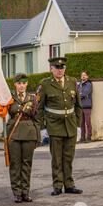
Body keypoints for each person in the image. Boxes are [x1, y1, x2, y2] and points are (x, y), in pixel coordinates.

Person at [37, 57, 83, 196]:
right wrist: (43, 128)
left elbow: (78, 106)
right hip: (54, 126)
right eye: (57, 68)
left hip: (70, 125)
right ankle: (57, 185)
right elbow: (39, 108)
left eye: (62, 68)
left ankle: (69, 184)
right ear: (51, 69)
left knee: (68, 157)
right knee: (57, 158)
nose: (59, 70)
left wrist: (78, 126)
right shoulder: (45, 84)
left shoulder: (72, 82)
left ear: (65, 69)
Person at [6, 74, 40, 203]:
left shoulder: (32, 98)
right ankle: (17, 193)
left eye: (23, 83)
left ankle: (25, 192)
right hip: (13, 133)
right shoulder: (9, 98)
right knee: (15, 164)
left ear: (26, 84)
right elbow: (1, 110)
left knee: (27, 163)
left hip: (29, 132)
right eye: (19, 83)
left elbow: (36, 117)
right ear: (15, 84)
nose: (21, 86)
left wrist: (38, 136)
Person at [78, 71, 93, 143]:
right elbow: (76, 93)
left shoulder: (89, 84)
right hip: (80, 106)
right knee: (81, 123)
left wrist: (79, 95)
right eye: (82, 75)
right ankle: (82, 137)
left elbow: (85, 93)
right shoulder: (79, 84)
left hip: (87, 106)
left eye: (84, 75)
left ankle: (89, 137)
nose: (83, 76)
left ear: (87, 77)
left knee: (87, 122)